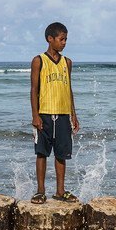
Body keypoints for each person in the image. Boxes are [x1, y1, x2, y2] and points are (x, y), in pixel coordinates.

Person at [29, 22, 80, 204]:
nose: (64, 42)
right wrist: (35, 115)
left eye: (66, 39)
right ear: (50, 39)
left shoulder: (67, 62)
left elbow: (69, 90)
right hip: (44, 114)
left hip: (64, 115)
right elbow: (34, 89)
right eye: (61, 39)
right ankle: (40, 191)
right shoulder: (39, 61)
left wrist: (74, 114)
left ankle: (60, 191)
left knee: (61, 154)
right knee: (42, 153)